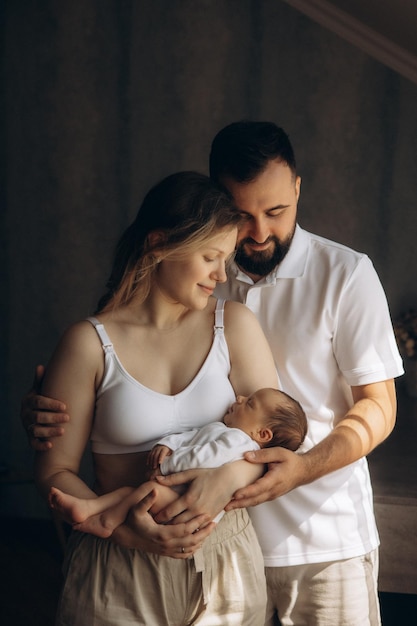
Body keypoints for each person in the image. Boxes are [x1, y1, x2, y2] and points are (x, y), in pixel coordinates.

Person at [21, 122, 404, 626]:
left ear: (297, 189)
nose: (260, 234)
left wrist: (295, 469)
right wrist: (47, 406)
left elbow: (377, 406)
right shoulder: (197, 288)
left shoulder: (343, 275)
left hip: (316, 539)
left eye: (276, 212)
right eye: (243, 217)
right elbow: (77, 436)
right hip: (210, 546)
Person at [32, 170, 281, 626]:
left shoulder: (236, 327)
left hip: (224, 560)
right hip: (116, 566)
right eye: (210, 256)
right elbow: (53, 470)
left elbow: (276, 442)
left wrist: (224, 481)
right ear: (159, 244)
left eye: (225, 259)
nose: (220, 275)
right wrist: (128, 535)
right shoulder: (88, 343)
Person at [48, 387, 307, 538]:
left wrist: (169, 465)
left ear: (262, 435)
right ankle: (94, 510)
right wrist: (168, 445)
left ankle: (103, 518)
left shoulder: (240, 443)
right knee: (132, 493)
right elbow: (192, 437)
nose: (239, 398)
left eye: (250, 403)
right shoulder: (223, 429)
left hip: (186, 502)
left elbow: (205, 458)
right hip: (178, 492)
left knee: (141, 492)